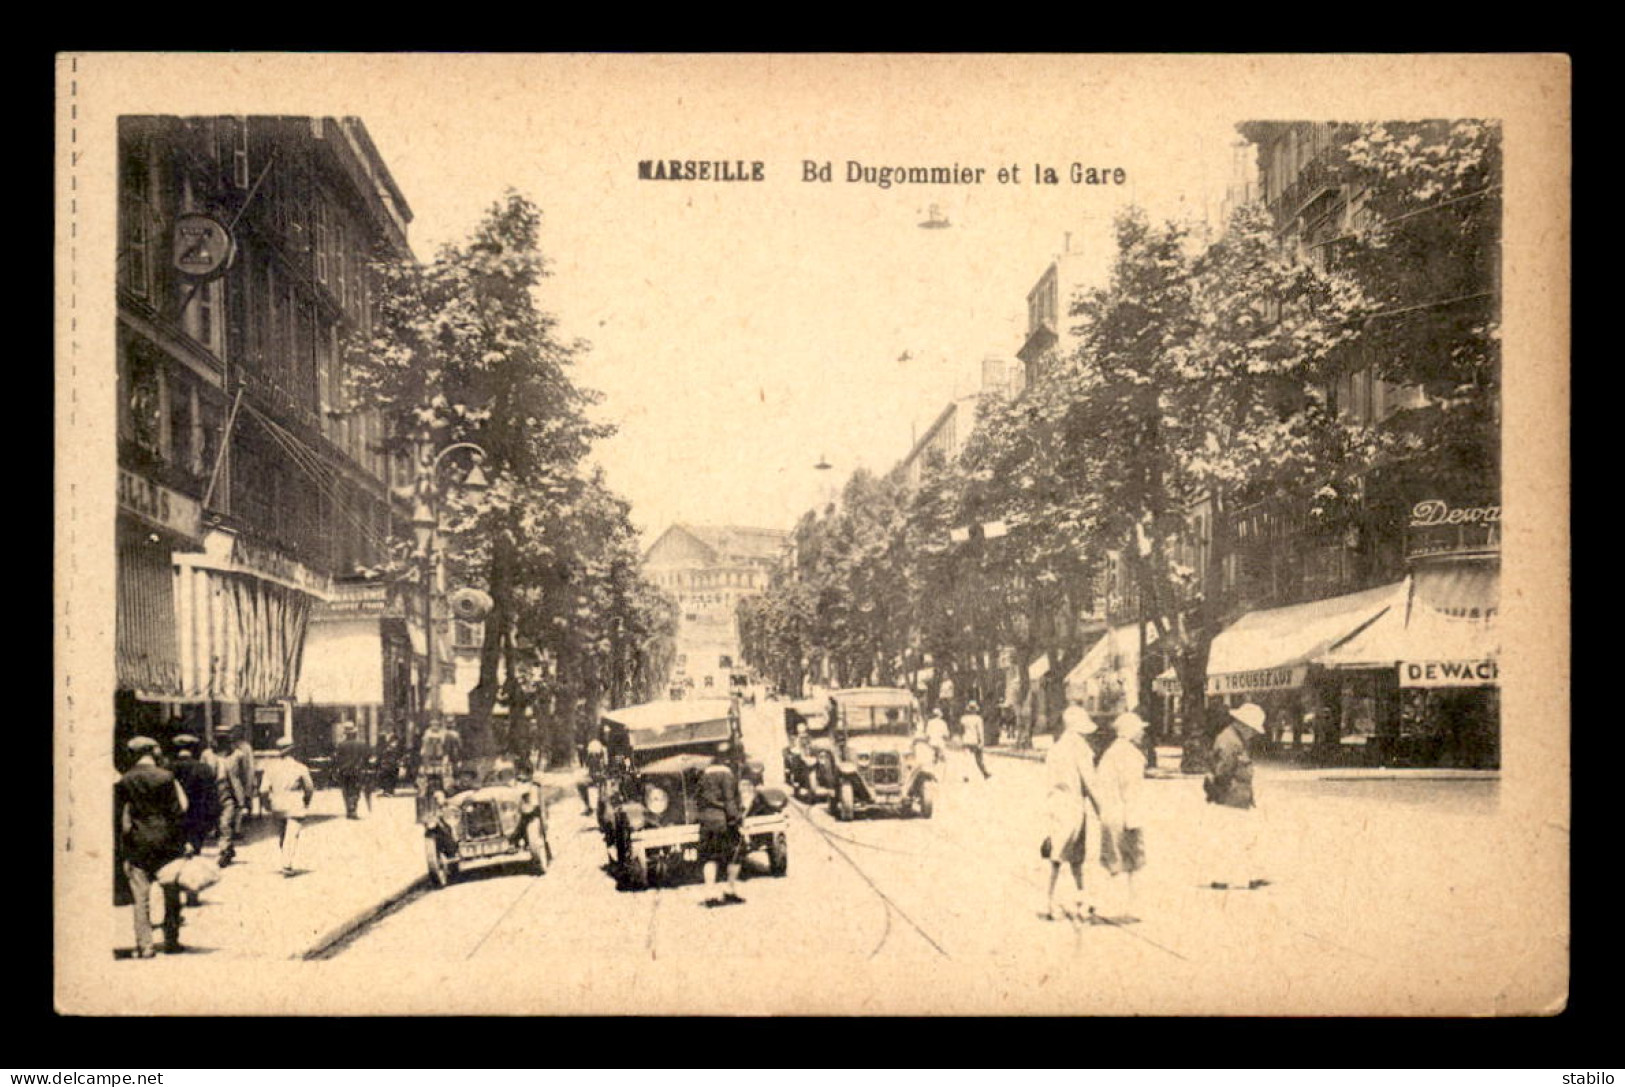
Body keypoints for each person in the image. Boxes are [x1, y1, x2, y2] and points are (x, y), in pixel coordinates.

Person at [115, 736, 188, 957]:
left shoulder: (125, 781)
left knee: (141, 898)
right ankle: (172, 940)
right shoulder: (166, 777)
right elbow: (178, 811)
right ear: (152, 752)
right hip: (167, 843)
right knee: (171, 893)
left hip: (138, 844)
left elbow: (120, 816)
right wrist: (181, 841)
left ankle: (145, 946)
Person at [1040, 705, 1102, 921]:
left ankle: (1080, 898)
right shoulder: (1080, 748)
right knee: (1069, 856)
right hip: (1073, 805)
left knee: (1065, 854)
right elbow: (1090, 782)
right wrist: (1102, 809)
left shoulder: (1055, 748)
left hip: (1055, 803)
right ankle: (1055, 902)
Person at [1203, 702, 1268, 891]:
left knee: (1241, 837)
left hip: (1238, 798)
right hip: (1230, 797)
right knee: (1232, 839)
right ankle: (1226, 878)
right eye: (1252, 729)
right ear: (1243, 724)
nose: (1253, 734)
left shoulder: (1235, 738)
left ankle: (1244, 876)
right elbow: (1223, 770)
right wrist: (1221, 793)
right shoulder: (1230, 741)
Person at [1096, 712, 1150, 923]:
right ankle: (1129, 908)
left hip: (1109, 813)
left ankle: (1110, 905)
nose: (1142, 732)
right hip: (1125, 814)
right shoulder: (1130, 755)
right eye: (1139, 729)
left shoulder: (1110, 753)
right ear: (1130, 731)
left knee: (1113, 861)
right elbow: (1131, 791)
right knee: (1134, 862)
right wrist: (1135, 820)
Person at [169, 734, 220, 906]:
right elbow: (212, 798)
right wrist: (212, 821)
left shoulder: (167, 768)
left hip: (174, 820)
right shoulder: (204, 769)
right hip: (197, 820)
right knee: (193, 854)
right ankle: (192, 893)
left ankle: (174, 895)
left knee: (174, 857)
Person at [696, 741, 745, 906]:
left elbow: (698, 798)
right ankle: (730, 890)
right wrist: (736, 819)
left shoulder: (704, 775)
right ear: (728, 758)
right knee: (735, 855)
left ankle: (710, 894)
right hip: (723, 821)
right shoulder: (727, 775)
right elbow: (730, 801)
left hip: (706, 821)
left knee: (709, 857)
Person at [259, 737, 315, 876]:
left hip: (277, 804)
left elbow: (263, 790)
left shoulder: (270, 768)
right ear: (293, 751)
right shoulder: (300, 768)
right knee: (292, 835)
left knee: (283, 834)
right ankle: (287, 863)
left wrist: (267, 804)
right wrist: (306, 801)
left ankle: (286, 859)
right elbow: (309, 788)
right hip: (295, 804)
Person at [201, 729, 242, 866]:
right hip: (212, 792)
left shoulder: (237, 755)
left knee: (226, 822)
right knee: (217, 824)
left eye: (224, 739)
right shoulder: (206, 755)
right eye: (219, 739)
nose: (221, 742)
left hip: (229, 792)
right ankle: (229, 849)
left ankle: (224, 852)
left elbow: (243, 776)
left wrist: (245, 795)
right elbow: (201, 774)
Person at [333, 720, 372, 819]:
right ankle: (353, 809)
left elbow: (336, 759)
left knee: (346, 790)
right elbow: (367, 757)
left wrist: (336, 770)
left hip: (344, 771)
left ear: (346, 734)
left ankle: (349, 810)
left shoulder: (341, 745)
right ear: (355, 733)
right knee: (355, 790)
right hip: (357, 771)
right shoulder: (361, 744)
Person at [958, 700, 992, 781]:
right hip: (975, 740)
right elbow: (980, 731)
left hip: (966, 740)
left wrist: (961, 739)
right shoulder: (978, 719)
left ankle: (966, 775)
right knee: (979, 759)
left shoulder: (963, 718)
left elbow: (961, 730)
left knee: (966, 759)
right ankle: (985, 773)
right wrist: (982, 741)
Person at [375, 731, 402, 798]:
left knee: (392, 776)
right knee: (387, 776)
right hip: (387, 762)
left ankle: (390, 790)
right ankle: (387, 790)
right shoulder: (382, 739)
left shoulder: (394, 739)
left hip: (392, 762)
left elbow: (398, 751)